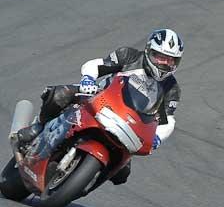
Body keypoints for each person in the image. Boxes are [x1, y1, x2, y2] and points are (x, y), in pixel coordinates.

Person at [12, 29, 184, 185]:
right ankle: (37, 127)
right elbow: (96, 65)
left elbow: (168, 120)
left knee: (121, 174)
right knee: (60, 95)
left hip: (127, 125)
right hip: (97, 99)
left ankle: (82, 181)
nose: (164, 63)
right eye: (160, 57)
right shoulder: (129, 56)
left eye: (171, 60)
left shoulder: (171, 88)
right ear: (148, 51)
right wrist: (88, 79)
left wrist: (157, 138)